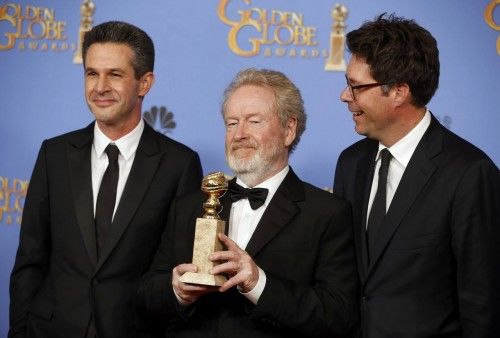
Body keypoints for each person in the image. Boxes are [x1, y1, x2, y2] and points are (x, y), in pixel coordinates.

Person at [9, 21, 202, 338]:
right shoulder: (54, 155)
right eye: (91, 73)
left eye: (114, 74)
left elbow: (179, 275)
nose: (99, 87)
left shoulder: (179, 164)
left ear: (144, 83)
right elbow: (30, 261)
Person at [138, 68, 358, 337]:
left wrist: (258, 283)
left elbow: (337, 315)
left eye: (253, 121)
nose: (239, 134)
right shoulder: (189, 206)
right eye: (231, 123)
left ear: (289, 130)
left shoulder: (326, 213)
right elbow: (146, 298)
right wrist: (176, 291)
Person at [333, 13, 500, 338]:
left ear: (399, 92)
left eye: (356, 87)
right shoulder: (350, 163)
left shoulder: (469, 173)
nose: (344, 96)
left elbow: (483, 303)